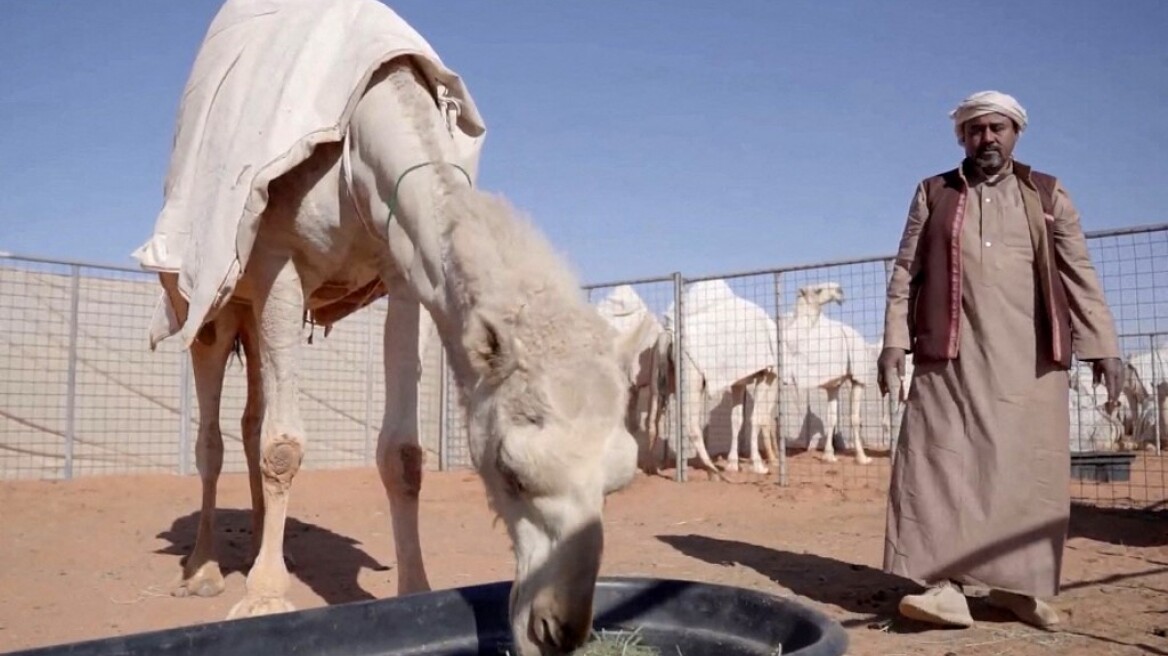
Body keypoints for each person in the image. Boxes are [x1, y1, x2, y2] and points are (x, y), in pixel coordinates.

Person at [876, 90, 1124, 630]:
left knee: (1027, 468)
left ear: (1016, 133)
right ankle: (942, 586)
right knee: (939, 461)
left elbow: (1079, 273)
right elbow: (905, 273)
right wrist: (894, 340)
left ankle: (1016, 587)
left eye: (998, 128)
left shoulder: (1048, 194)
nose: (986, 138)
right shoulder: (933, 193)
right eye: (975, 129)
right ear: (961, 136)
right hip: (949, 357)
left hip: (1030, 359)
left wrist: (1103, 347)